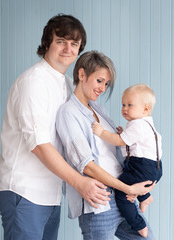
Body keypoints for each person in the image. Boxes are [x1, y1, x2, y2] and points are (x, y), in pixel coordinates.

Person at [0, 14, 111, 240]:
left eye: (74, 44)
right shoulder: (33, 81)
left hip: (51, 194)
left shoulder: (68, 85)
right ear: (47, 42)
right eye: (61, 41)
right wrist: (80, 182)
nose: (68, 49)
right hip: (24, 191)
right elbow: (38, 144)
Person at [56, 51, 156, 240]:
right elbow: (86, 165)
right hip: (100, 200)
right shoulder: (68, 113)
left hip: (123, 192)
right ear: (82, 74)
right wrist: (127, 189)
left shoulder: (98, 109)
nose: (103, 88)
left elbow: (115, 148)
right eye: (99, 81)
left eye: (106, 84)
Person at [92, 83, 163, 237]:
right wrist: (124, 134)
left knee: (121, 191)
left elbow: (118, 141)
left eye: (130, 105)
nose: (124, 108)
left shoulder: (137, 125)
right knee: (132, 178)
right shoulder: (147, 126)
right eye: (123, 104)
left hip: (142, 166)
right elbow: (131, 149)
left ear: (145, 109)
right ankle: (145, 197)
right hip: (154, 167)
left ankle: (139, 224)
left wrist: (102, 132)